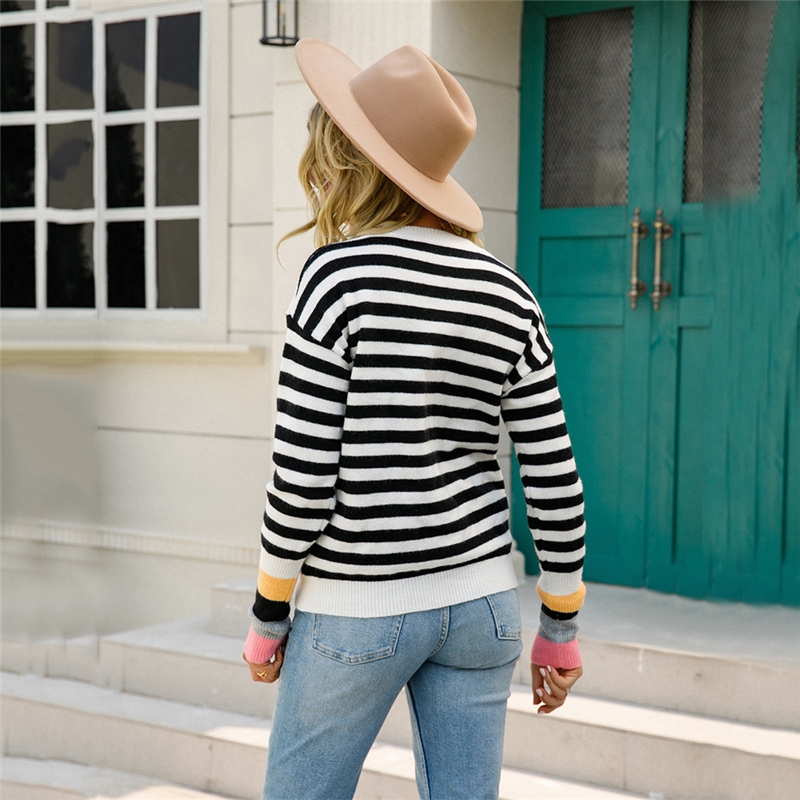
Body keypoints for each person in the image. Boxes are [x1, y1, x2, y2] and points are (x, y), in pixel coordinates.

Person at [242, 38, 586, 800]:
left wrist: (268, 612)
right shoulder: (511, 295)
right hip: (482, 607)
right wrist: (559, 630)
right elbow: (555, 480)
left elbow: (301, 478)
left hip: (355, 606)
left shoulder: (335, 280)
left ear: (354, 162)